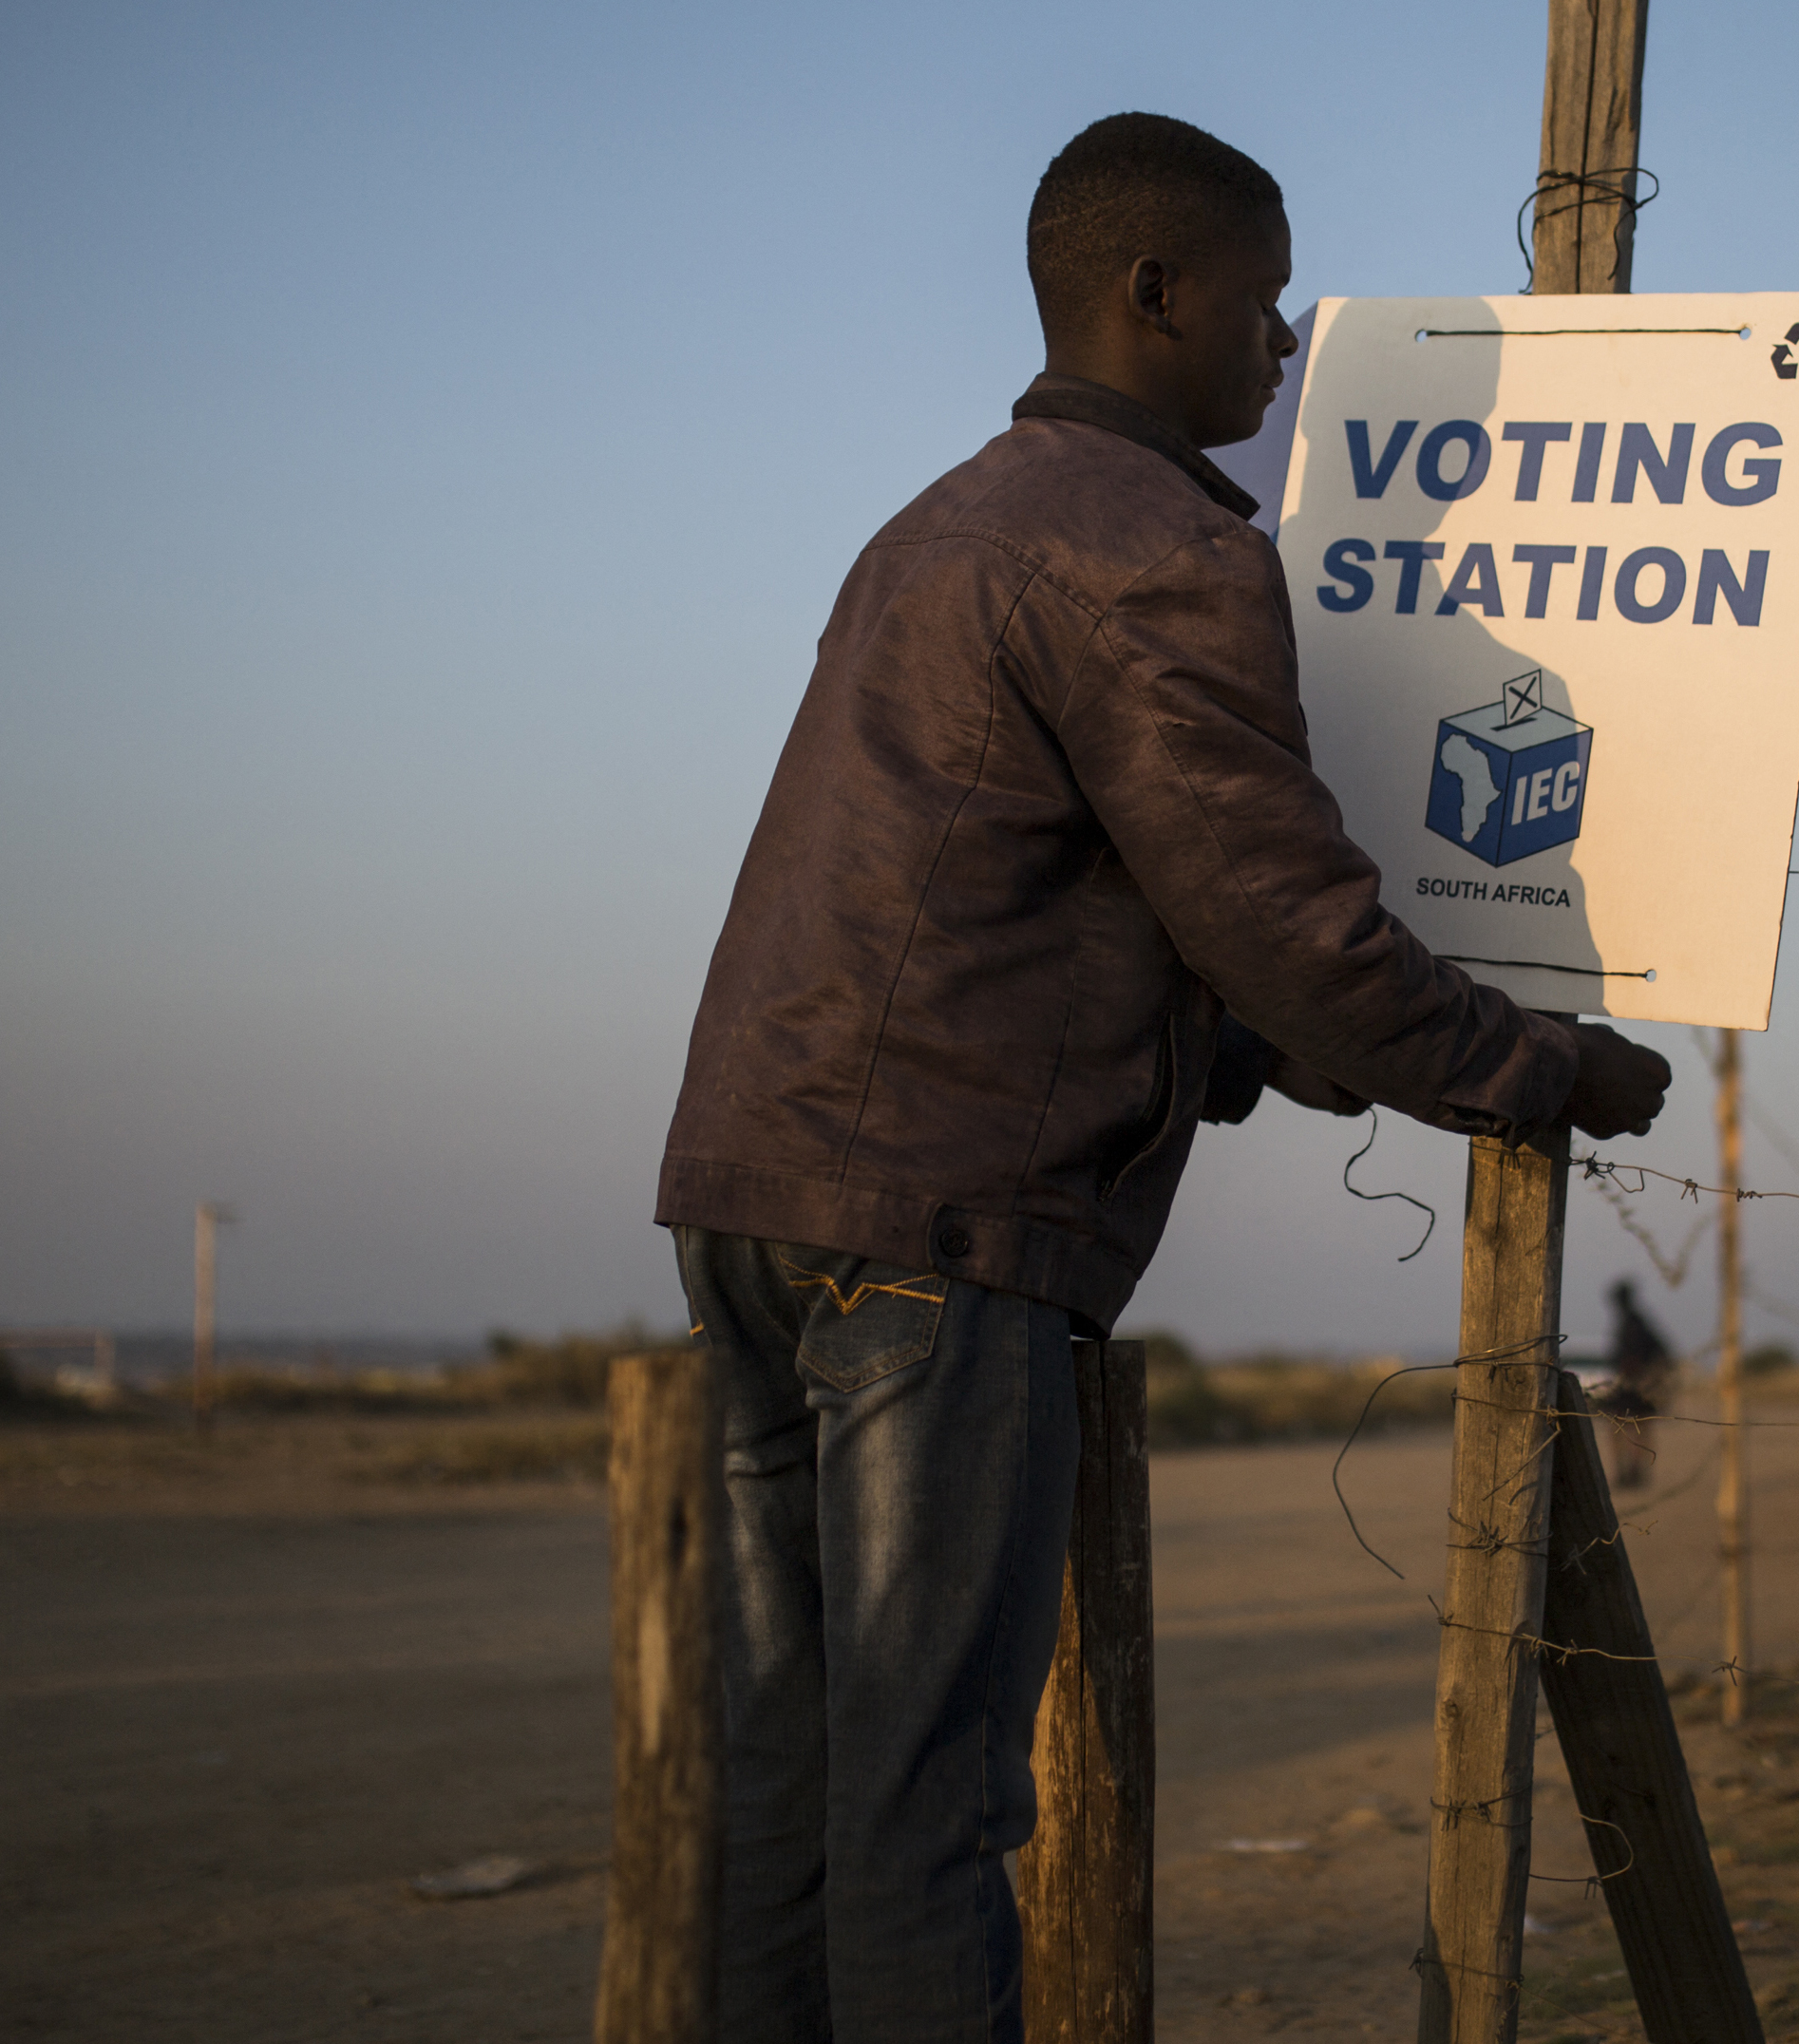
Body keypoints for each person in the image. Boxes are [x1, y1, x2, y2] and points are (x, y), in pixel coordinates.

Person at [653, 112, 1673, 2042]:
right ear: (1154, 293)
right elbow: (1284, 922)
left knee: (791, 1786)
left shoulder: (938, 521)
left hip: (752, 1195)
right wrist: (1542, 1068)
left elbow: (1083, 899)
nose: (1283, 343)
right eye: (1263, 300)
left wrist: (1286, 1042)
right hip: (938, 1227)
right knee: (925, 1807)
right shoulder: (1154, 552)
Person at [1597, 1278, 1675, 1490]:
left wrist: (1645, 1375)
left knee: (1631, 1428)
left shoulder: (1634, 1323)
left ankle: (1633, 1471)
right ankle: (1628, 1471)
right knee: (1625, 1428)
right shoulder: (1631, 1322)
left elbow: (1657, 1352)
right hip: (1629, 1386)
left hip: (1634, 1387)